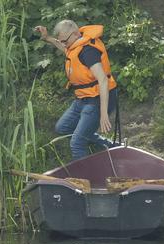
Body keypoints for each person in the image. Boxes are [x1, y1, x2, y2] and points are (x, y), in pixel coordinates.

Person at [35, 20, 118, 161]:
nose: (63, 44)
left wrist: (104, 114)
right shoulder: (74, 45)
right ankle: (110, 146)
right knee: (63, 128)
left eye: (64, 41)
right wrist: (47, 38)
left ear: (74, 34)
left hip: (96, 100)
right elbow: (64, 47)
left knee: (77, 143)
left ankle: (84, 179)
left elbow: (103, 80)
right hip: (82, 99)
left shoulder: (88, 51)